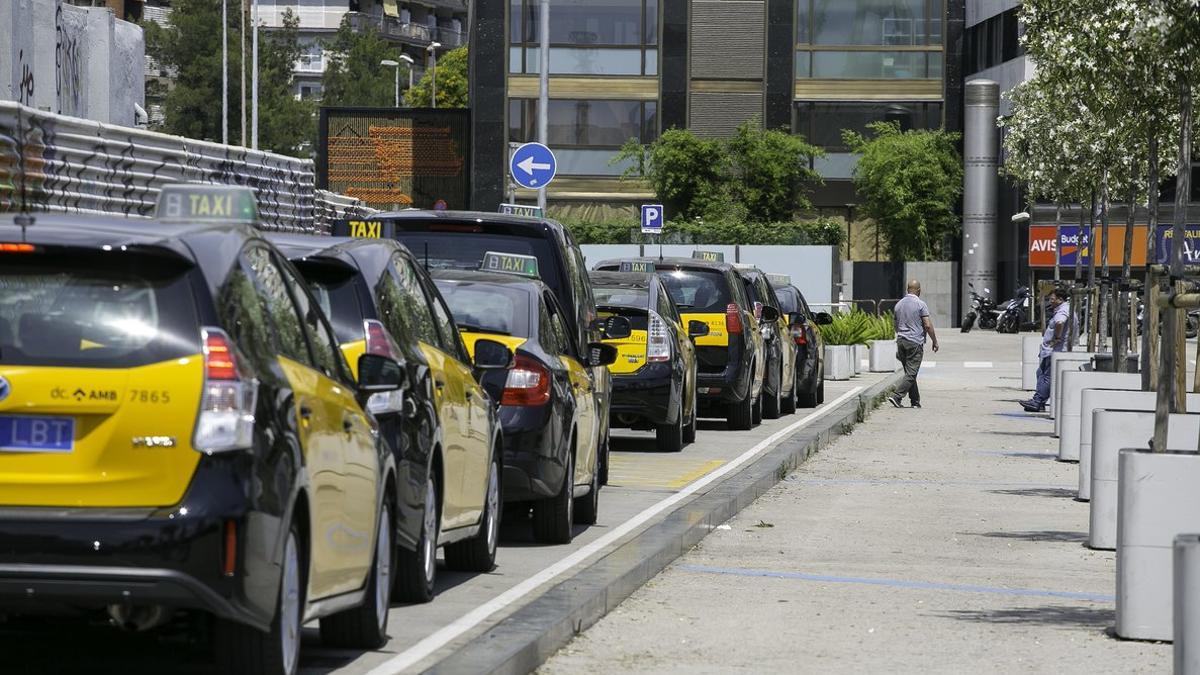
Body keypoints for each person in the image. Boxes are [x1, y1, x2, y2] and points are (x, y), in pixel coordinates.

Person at [1020, 287, 1073, 413]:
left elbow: (1060, 322)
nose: (1051, 301)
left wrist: (1057, 337)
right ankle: (1040, 401)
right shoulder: (1064, 309)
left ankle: (1037, 402)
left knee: (1046, 377)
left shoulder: (1063, 310)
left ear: (1060, 299)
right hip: (1051, 350)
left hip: (1055, 350)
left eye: (1053, 299)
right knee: (1041, 373)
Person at [889, 280, 939, 409]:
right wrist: (934, 340)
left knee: (910, 372)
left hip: (901, 341)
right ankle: (897, 396)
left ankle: (915, 401)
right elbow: (927, 325)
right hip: (914, 342)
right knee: (911, 373)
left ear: (907, 289)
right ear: (919, 290)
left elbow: (895, 325)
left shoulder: (898, 305)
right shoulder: (920, 304)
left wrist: (901, 334)